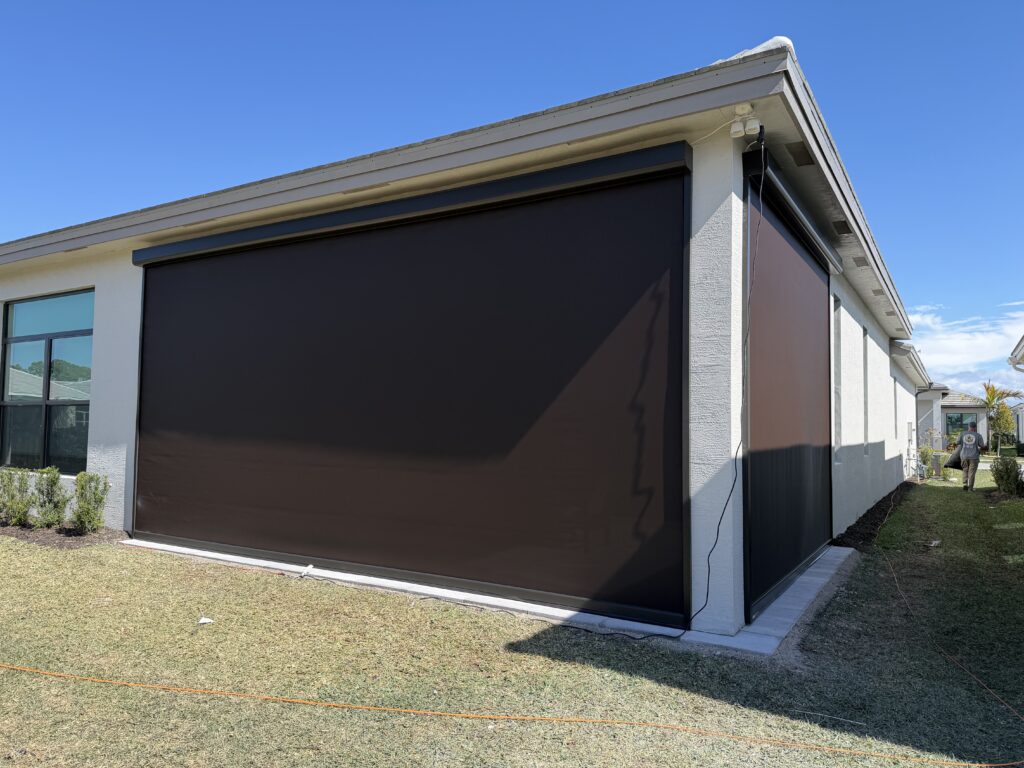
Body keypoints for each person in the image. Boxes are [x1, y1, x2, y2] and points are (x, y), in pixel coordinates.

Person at [957, 422, 987, 492]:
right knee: (971, 472)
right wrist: (985, 446)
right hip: (974, 456)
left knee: (965, 470)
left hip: (964, 455)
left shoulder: (962, 434)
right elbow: (982, 446)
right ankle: (970, 488)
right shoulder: (978, 435)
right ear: (975, 427)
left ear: (968, 426)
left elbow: (957, 442)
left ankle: (965, 484)